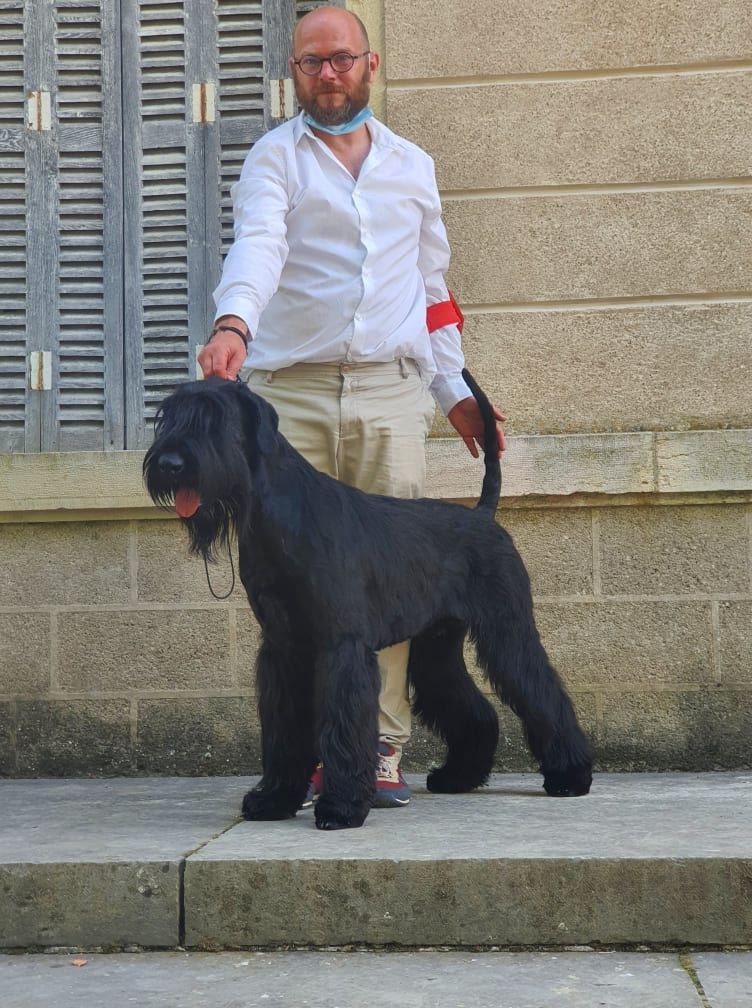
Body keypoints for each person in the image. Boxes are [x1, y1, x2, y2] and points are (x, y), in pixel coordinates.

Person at [198, 6, 506, 809]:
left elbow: (432, 291)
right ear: (292, 72)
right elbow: (258, 246)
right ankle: (305, 756)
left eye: (339, 60)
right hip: (289, 398)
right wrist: (234, 323)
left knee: (387, 587)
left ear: (369, 64)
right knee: (293, 594)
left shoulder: (412, 165)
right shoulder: (275, 160)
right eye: (310, 63)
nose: (326, 75)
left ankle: (377, 753)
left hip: (386, 392)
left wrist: (454, 392)